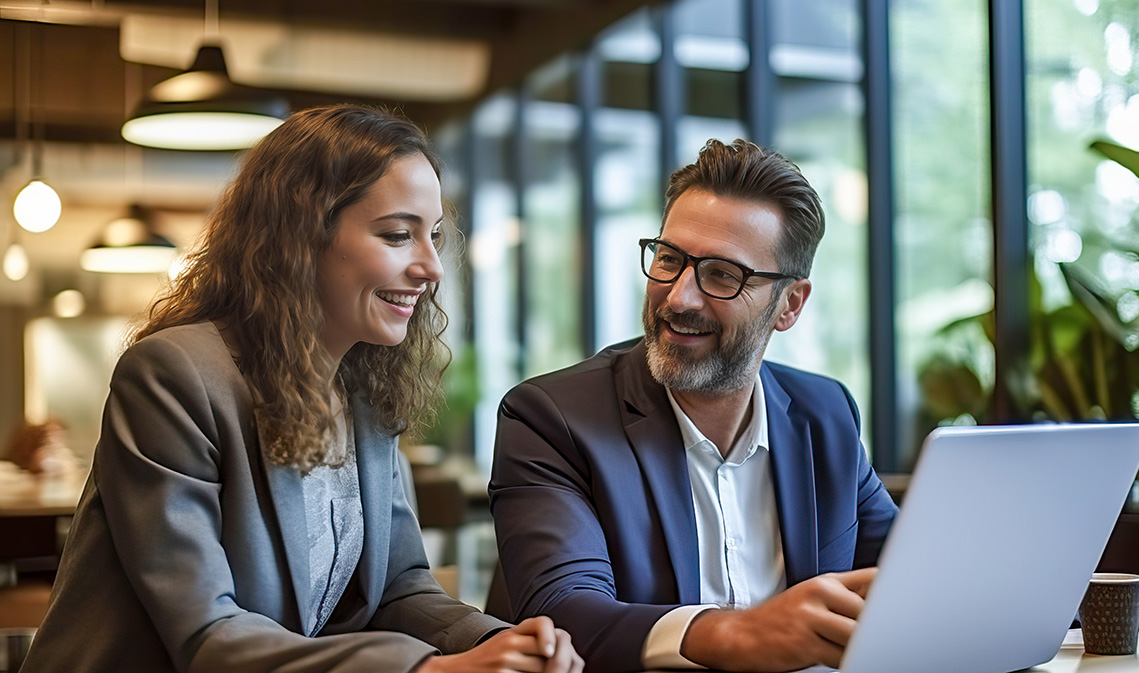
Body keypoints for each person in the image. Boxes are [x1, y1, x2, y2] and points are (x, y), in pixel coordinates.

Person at [23, 105, 583, 673]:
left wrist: (505, 641)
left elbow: (398, 590)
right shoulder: (173, 374)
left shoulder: (363, 391)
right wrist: (424, 669)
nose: (432, 267)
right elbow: (208, 635)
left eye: (433, 236)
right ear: (300, 236)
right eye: (397, 235)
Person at [489, 139, 898, 673]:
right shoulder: (550, 418)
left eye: (723, 275)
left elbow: (904, 577)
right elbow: (565, 614)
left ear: (790, 304)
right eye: (669, 259)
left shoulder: (826, 414)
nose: (680, 297)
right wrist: (742, 634)